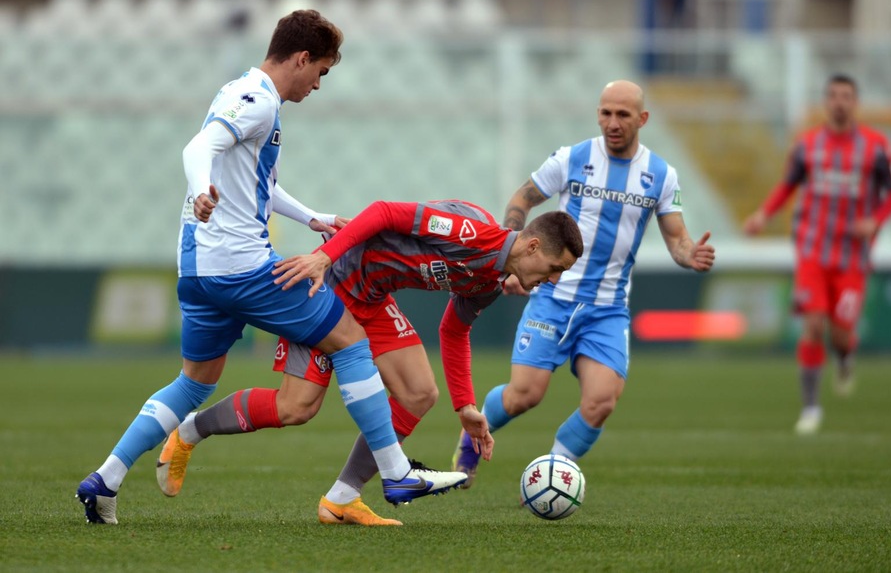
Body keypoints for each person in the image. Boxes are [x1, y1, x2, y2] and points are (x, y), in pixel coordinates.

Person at [75, 10, 466, 525]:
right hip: (241, 268)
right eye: (321, 72)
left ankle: (105, 479)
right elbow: (198, 149)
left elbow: (256, 183)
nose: (319, 85)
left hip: (198, 272)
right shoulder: (259, 102)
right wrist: (199, 193)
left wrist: (314, 218)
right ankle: (395, 472)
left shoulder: (240, 91)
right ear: (302, 58)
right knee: (350, 339)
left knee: (193, 382)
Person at [155, 199, 583, 525]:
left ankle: (341, 499)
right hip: (332, 282)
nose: (554, 279)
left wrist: (465, 405)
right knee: (296, 408)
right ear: (531, 246)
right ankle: (191, 429)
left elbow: (454, 330)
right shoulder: (470, 232)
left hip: (372, 299)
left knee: (419, 393)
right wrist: (325, 255)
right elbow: (383, 212)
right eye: (554, 267)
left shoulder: (491, 280)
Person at [452, 79, 715, 486]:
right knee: (525, 395)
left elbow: (677, 239)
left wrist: (689, 256)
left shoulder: (661, 175)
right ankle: (469, 445)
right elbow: (522, 198)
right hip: (554, 296)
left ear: (642, 119)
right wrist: (513, 254)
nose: (612, 122)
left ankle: (553, 476)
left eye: (623, 114)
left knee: (601, 402)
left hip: (608, 309)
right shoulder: (571, 158)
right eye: (606, 112)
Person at [743, 74, 891, 435]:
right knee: (813, 326)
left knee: (841, 334)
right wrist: (763, 214)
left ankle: (846, 357)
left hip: (852, 258)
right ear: (826, 102)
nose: (839, 102)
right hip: (813, 250)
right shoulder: (808, 145)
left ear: (855, 102)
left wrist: (875, 220)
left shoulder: (876, 147)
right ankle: (811, 408)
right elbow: (787, 185)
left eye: (846, 96)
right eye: (833, 96)